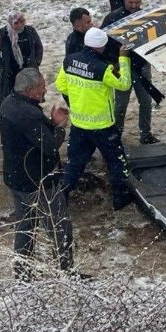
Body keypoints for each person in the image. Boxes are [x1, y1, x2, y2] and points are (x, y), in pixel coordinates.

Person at [0, 68, 75, 278]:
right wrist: (59, 126)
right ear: (31, 90)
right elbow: (49, 146)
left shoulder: (8, 104)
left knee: (25, 226)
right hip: (38, 180)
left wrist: (48, 124)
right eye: (42, 86)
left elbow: (30, 138)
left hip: (16, 177)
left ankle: (22, 273)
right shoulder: (29, 114)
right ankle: (67, 273)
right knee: (59, 227)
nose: (45, 89)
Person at [56, 27, 135, 210]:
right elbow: (124, 84)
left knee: (74, 163)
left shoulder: (69, 61)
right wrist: (123, 58)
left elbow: (61, 84)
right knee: (117, 161)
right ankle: (120, 198)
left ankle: (61, 197)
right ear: (102, 46)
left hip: (78, 124)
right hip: (103, 126)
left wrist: (78, 100)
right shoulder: (103, 68)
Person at [103, 0, 161, 144]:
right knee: (120, 105)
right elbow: (104, 44)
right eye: (131, 2)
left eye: (137, 2)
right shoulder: (112, 18)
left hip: (142, 66)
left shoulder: (147, 17)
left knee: (146, 102)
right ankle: (116, 136)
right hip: (120, 67)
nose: (134, 6)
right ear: (124, 0)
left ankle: (146, 134)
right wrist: (114, 62)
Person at [0, 10, 43, 103]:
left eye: (22, 21)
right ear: (10, 23)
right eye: (16, 23)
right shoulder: (2, 34)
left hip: (29, 71)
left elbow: (38, 47)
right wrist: (3, 67)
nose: (20, 25)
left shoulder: (30, 31)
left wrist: (36, 62)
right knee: (10, 99)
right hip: (10, 73)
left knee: (30, 97)